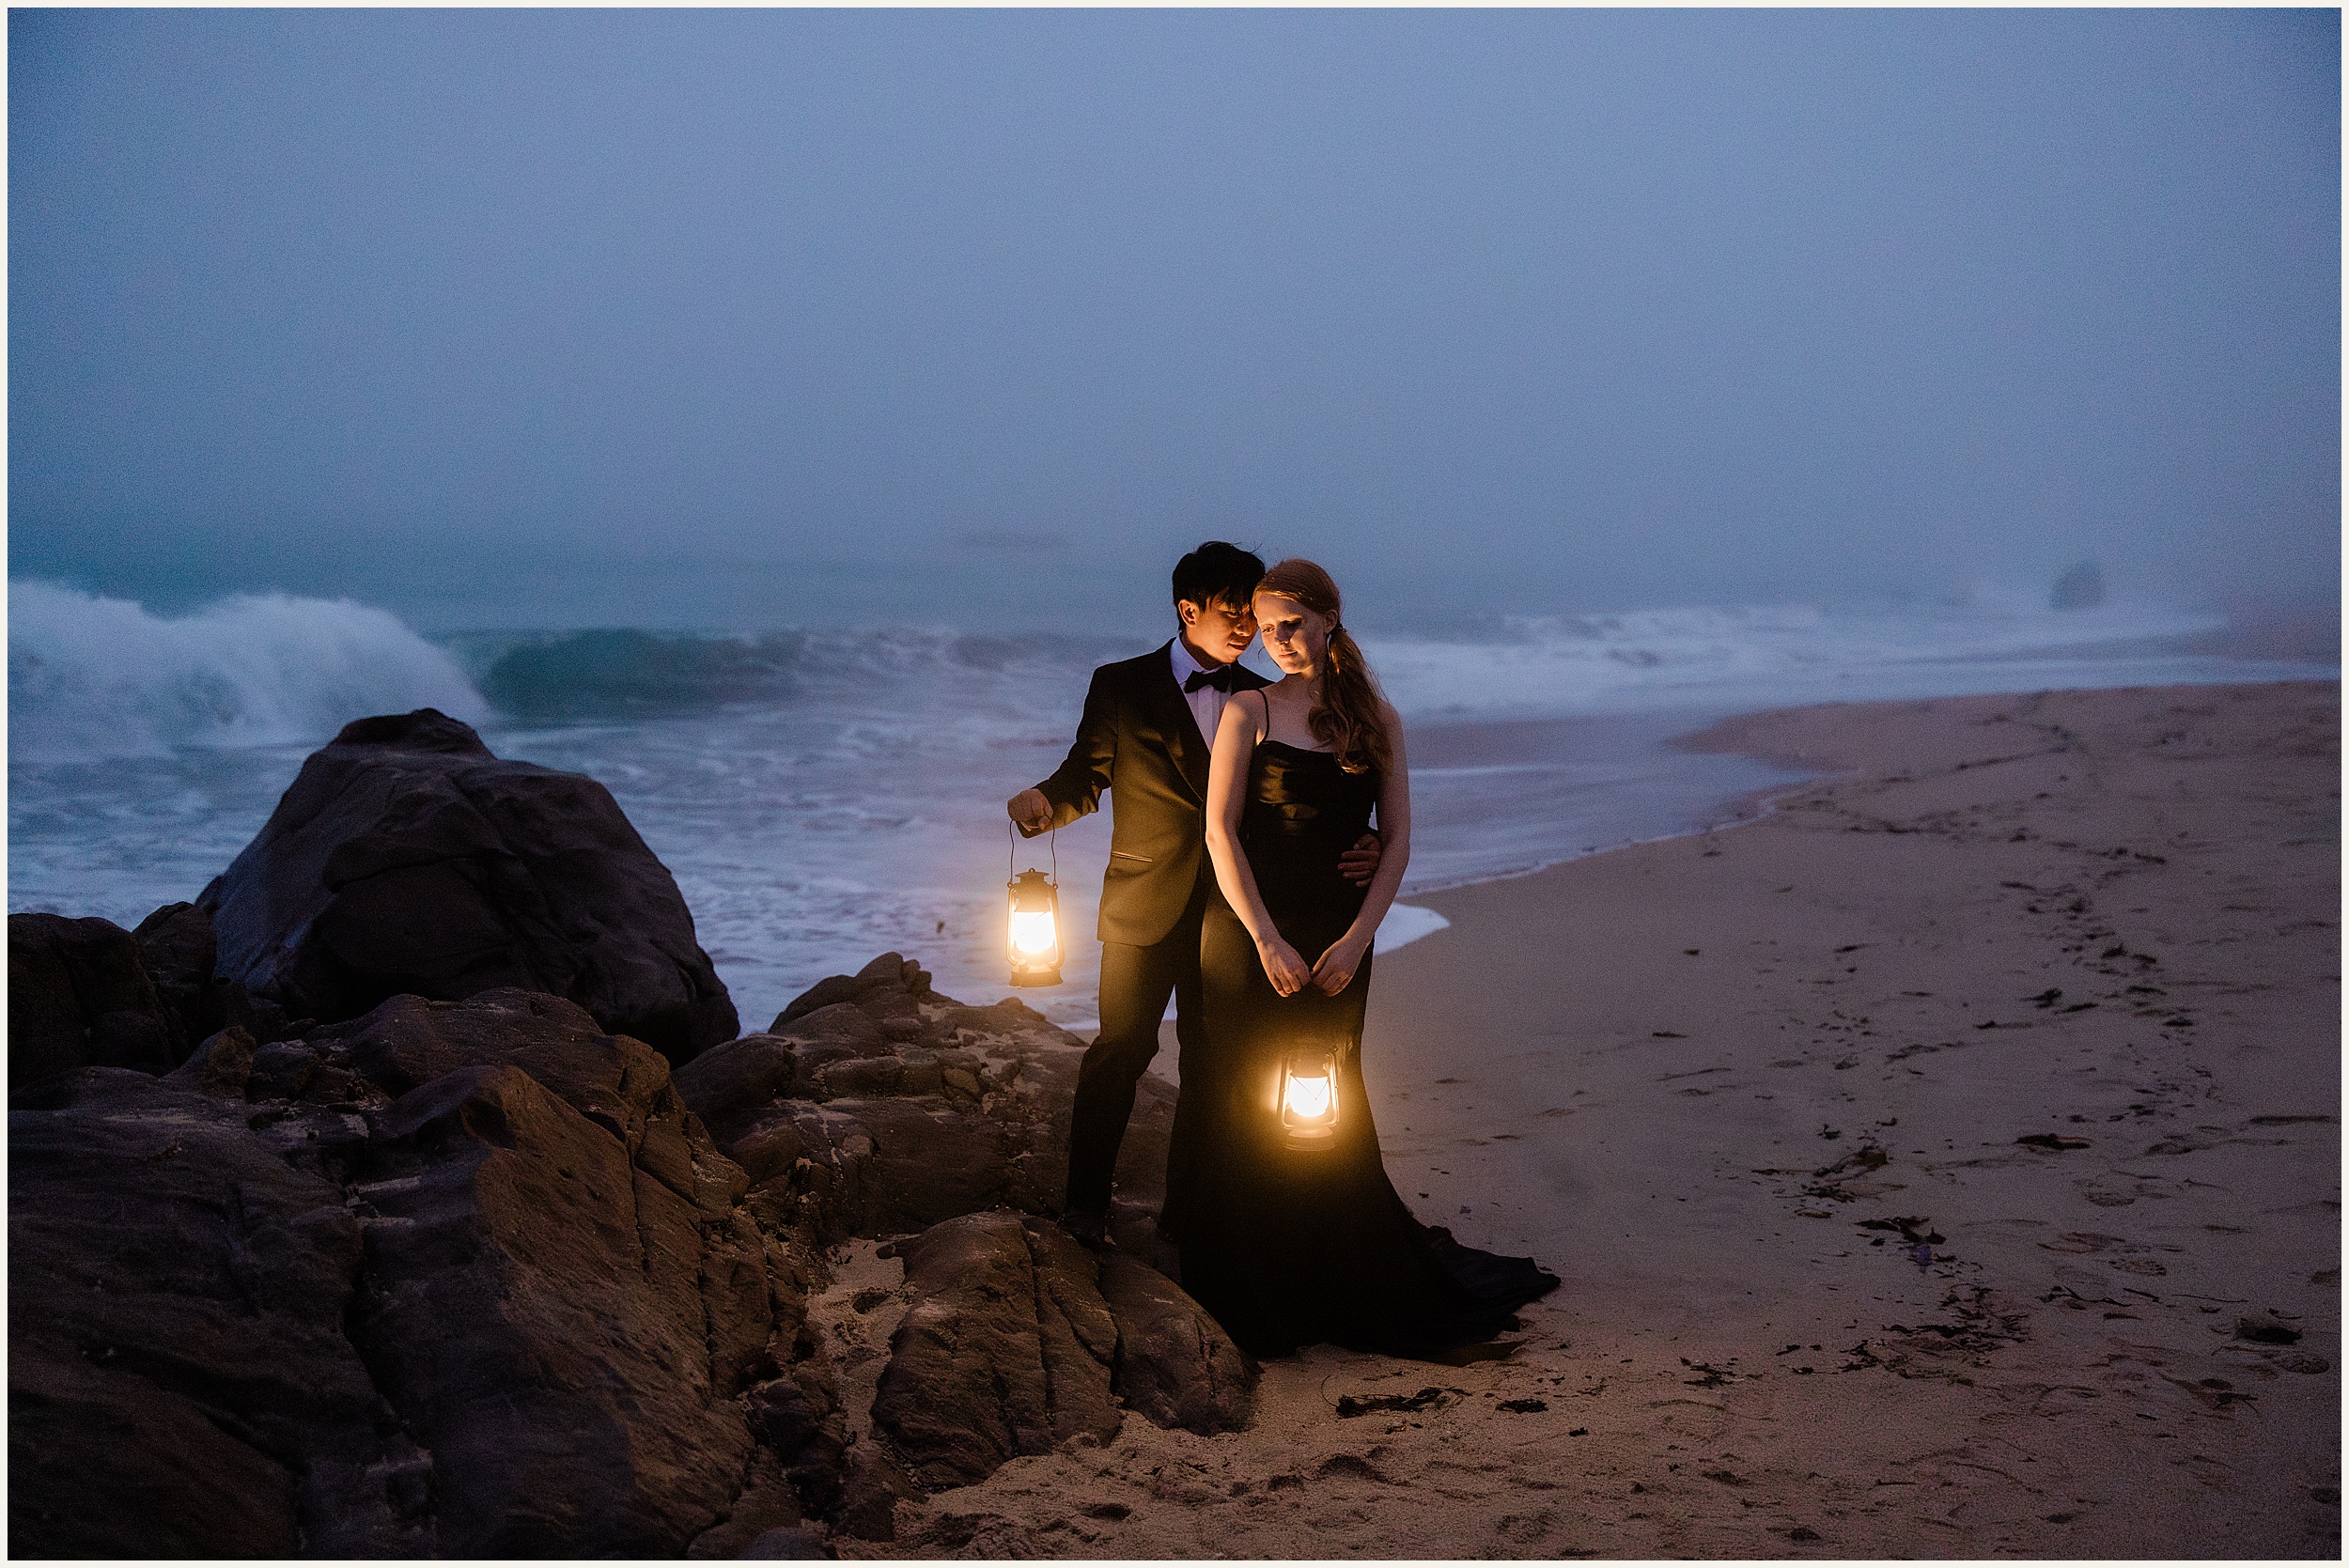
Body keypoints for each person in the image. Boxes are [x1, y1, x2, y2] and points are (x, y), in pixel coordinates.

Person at [1182, 557, 1560, 1358]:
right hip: (1248, 932)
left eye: (1291, 622)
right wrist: (1266, 939)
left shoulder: (1377, 719)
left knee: (1331, 1110)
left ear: (1328, 619)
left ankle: (1338, 1282)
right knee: (1242, 1107)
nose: (1276, 639)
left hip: (1338, 936)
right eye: (1266, 624)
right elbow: (1220, 833)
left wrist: (1357, 938)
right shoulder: (1244, 709)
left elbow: (1397, 842)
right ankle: (1258, 1292)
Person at [1006, 542, 1380, 1247]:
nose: (1249, 626)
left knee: (1212, 1065)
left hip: (1235, 916)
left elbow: (1308, 796)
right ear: (1188, 610)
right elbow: (1084, 776)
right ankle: (1085, 1207)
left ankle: (1190, 1215)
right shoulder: (1120, 685)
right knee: (1120, 1051)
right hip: (1144, 908)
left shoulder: (1264, 696)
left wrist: (1368, 842)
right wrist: (1040, 805)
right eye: (1233, 611)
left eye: (1256, 613)